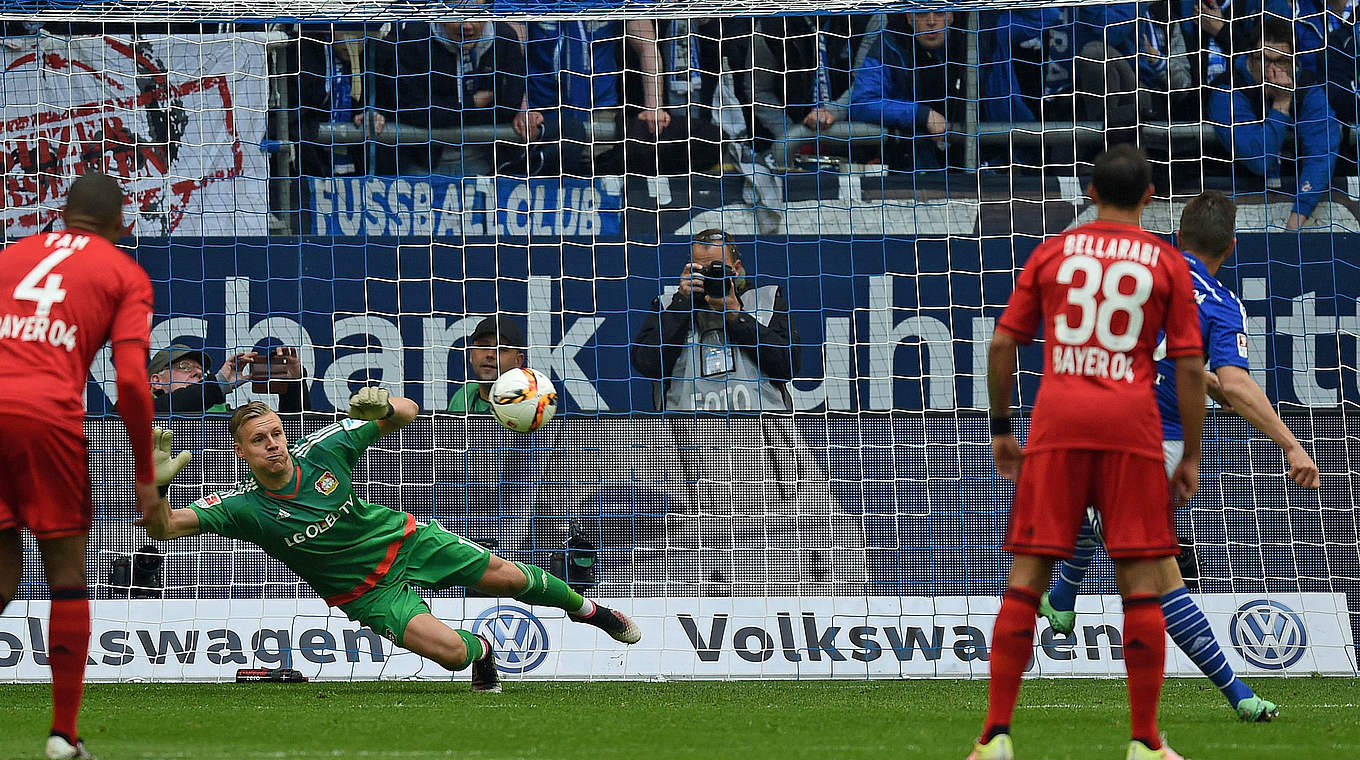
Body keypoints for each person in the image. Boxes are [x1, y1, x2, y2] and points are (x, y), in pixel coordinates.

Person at [1035, 190, 1321, 722]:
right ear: (1230, 247)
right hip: (1153, 444)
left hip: (1099, 421)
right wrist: (1291, 444)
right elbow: (1235, 385)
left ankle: (1065, 593)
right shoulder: (1219, 300)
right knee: (1151, 565)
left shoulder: (1139, 272)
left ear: (1176, 235)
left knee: (1121, 541)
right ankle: (1239, 696)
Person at [139, 390, 640, 691]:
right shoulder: (241, 508)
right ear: (240, 450)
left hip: (403, 541)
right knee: (453, 654)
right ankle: (483, 653)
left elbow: (406, 412)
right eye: (258, 439)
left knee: (507, 576)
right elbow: (161, 528)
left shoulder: (325, 449)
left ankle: (589, 611)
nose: (272, 443)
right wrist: (154, 487)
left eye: (275, 432)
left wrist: (384, 403)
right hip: (367, 595)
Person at [969, 146, 1205, 760]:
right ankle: (1146, 741)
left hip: (1057, 428)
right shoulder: (1166, 262)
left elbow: (1001, 344)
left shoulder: (1053, 251)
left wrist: (1001, 429)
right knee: (1141, 583)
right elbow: (1187, 364)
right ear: (1152, 197)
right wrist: (1191, 457)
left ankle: (995, 736)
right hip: (1132, 430)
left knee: (1026, 581)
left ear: (1091, 191)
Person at [0, 172, 162, 760]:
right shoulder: (124, 274)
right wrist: (145, 478)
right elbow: (130, 383)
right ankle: (63, 736)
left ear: (62, 214)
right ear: (121, 225)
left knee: (0, 579)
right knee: (65, 575)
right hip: (47, 421)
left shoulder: (13, 255)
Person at [515, 19, 722, 176]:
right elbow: (514, 46)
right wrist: (523, 107)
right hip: (542, 116)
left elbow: (646, 45)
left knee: (598, 188)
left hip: (601, 115)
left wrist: (654, 106)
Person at [1208, 16, 1340, 229]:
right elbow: (1258, 159)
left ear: (1293, 62)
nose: (1273, 70)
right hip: (1230, 204)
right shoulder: (1227, 90)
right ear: (1251, 58)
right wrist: (1281, 103)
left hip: (1291, 197)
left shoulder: (1307, 88)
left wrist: (1297, 218)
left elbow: (1322, 153)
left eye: (1282, 61)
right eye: (1265, 60)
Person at [370, 15, 527, 175]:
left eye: (476, 15)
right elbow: (411, 110)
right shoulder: (413, 36)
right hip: (421, 164)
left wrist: (444, 109)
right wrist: (472, 103)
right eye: (457, 15)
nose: (467, 25)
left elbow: (508, 106)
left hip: (485, 161)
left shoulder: (504, 37)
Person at [147, 344, 307, 414]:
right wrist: (217, 385)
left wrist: (294, 384)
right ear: (156, 380)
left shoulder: (228, 416)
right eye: (185, 366)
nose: (197, 372)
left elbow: (293, 433)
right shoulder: (132, 413)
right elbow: (167, 408)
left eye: (202, 372)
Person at [447, 315, 526, 413]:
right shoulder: (464, 395)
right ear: (471, 355)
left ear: (518, 360)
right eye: (483, 346)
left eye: (500, 349)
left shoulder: (530, 404)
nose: (490, 354)